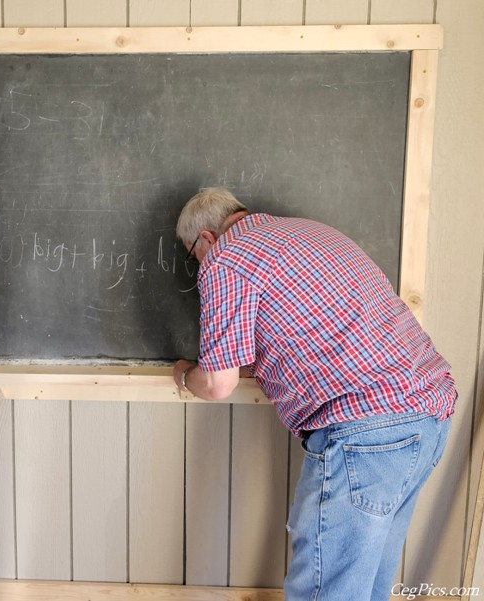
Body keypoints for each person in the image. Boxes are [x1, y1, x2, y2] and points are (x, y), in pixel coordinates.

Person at [173, 187, 455, 601]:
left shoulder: (226, 257)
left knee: (325, 592)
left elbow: (218, 383)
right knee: (367, 587)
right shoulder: (315, 233)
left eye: (191, 253)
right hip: (428, 415)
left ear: (208, 238)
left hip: (366, 433)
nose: (197, 264)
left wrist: (185, 375)